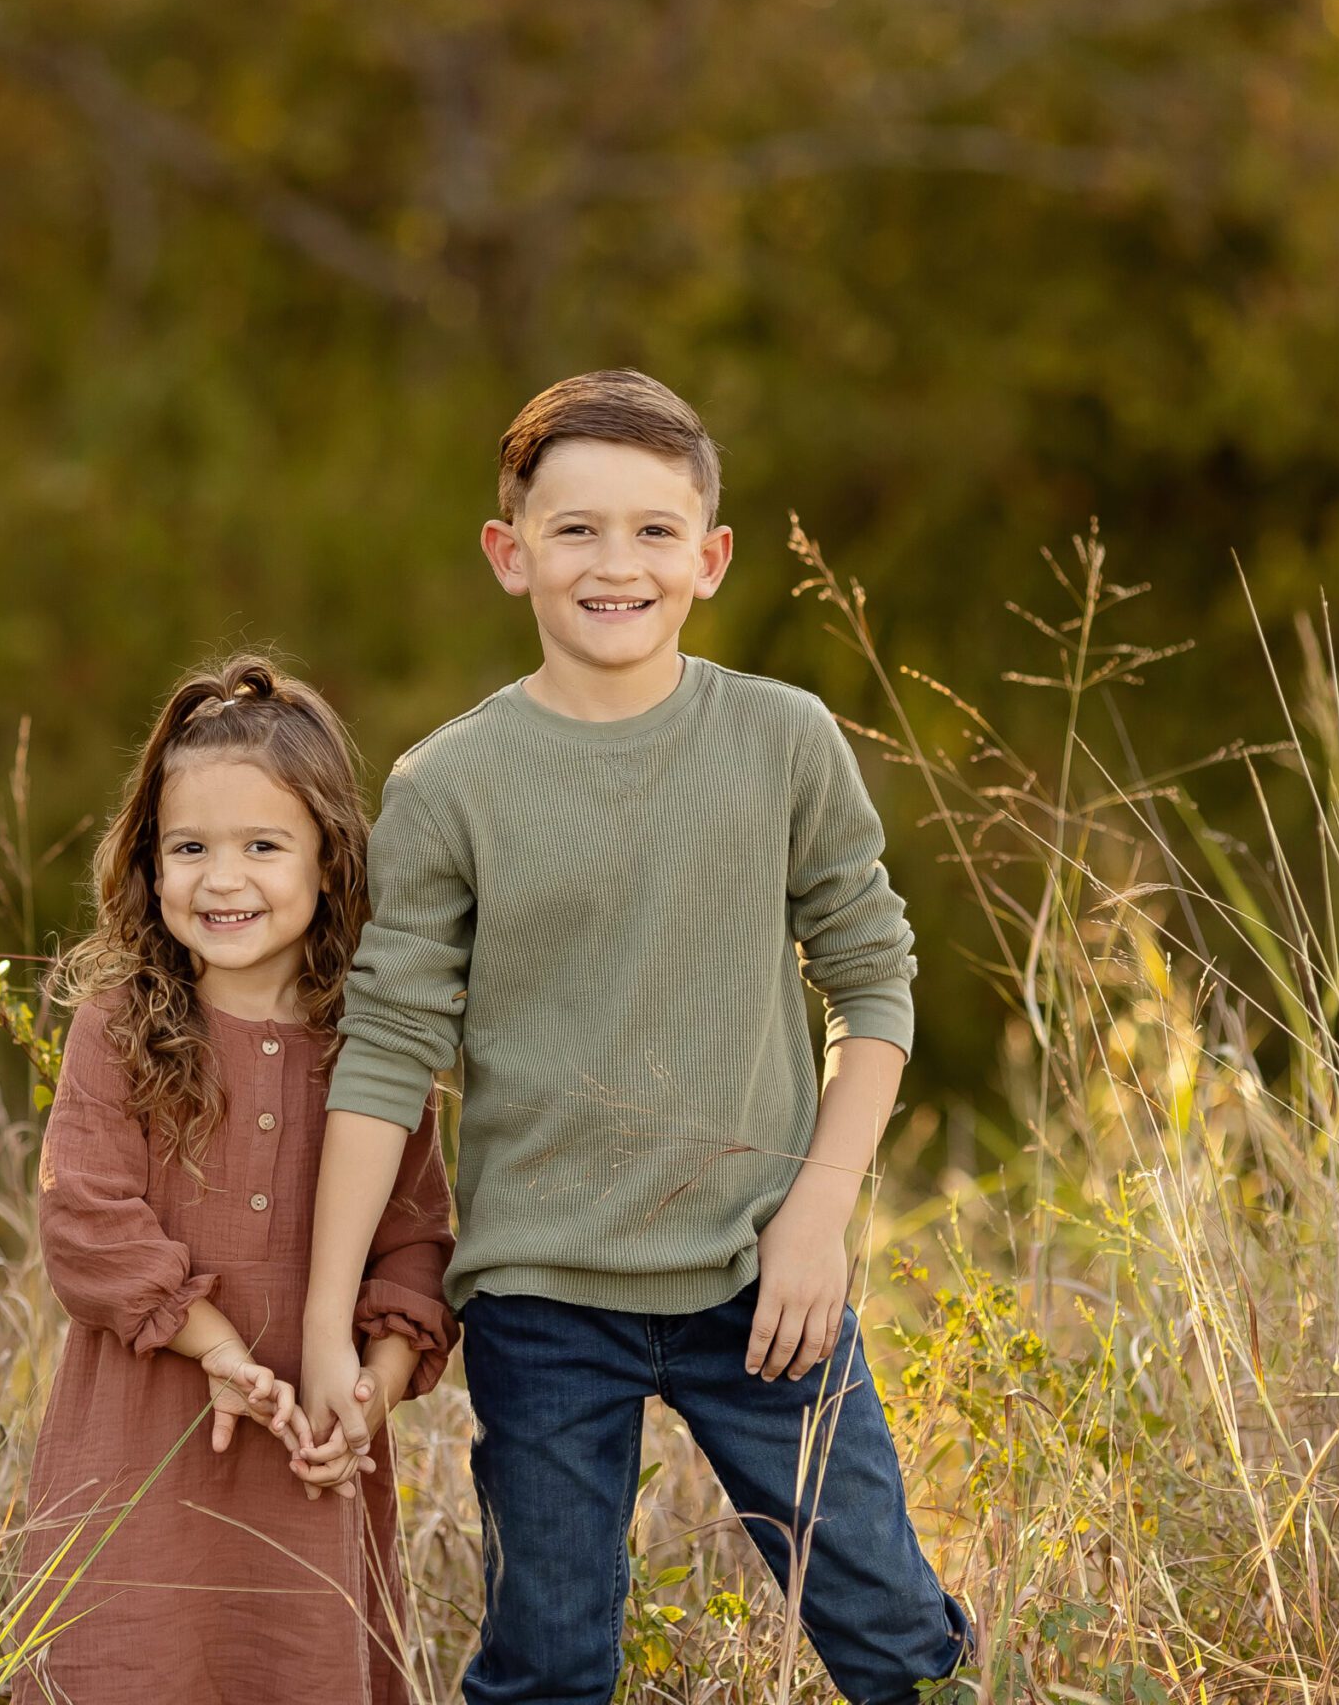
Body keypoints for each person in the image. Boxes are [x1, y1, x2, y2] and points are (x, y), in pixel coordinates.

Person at [298, 371, 973, 1704]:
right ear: (510, 554)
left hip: (762, 1282)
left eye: (656, 531)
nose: (618, 564)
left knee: (895, 1640)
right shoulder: (450, 786)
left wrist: (817, 1219)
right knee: (547, 1664)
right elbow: (385, 1054)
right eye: (576, 530)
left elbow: (875, 988)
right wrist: (327, 1317)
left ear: (712, 557)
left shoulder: (782, 741)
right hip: (545, 1300)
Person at [24, 654, 457, 1704]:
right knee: (125, 1659)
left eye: (263, 845)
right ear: (148, 865)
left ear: (328, 860)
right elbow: (84, 1219)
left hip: (307, 1460)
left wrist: (366, 1395)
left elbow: (417, 1247)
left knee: (293, 1669)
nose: (223, 879)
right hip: (136, 1456)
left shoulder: (375, 1045)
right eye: (189, 848)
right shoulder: (120, 1025)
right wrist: (218, 1348)